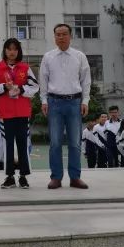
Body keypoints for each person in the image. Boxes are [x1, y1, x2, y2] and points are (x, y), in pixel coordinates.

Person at [40, 24, 91, 190]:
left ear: (70, 36)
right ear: (54, 37)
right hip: (54, 103)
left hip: (74, 103)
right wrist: (44, 101)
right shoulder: (48, 57)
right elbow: (43, 80)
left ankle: (75, 177)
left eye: (64, 34)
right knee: (55, 142)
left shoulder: (79, 56)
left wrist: (85, 101)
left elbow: (85, 80)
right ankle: (56, 177)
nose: (61, 37)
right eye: (58, 34)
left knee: (75, 142)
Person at [0, 38, 39, 189]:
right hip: (5, 113)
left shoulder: (25, 68)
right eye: (9, 49)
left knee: (23, 144)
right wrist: (4, 87)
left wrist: (22, 90)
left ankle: (23, 176)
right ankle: (9, 177)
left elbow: (35, 87)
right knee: (7, 145)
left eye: (15, 49)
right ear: (4, 50)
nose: (12, 52)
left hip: (22, 112)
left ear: (18, 51)